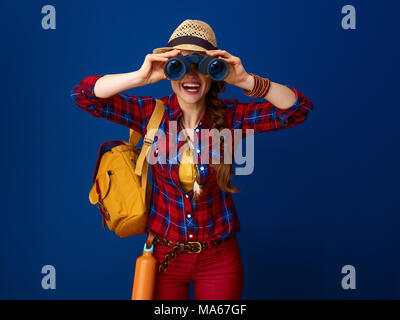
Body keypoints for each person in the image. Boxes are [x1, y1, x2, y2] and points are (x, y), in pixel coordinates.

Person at [71, 19, 314, 300]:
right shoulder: (151, 114)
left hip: (219, 259)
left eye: (202, 66)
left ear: (215, 73)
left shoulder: (231, 118)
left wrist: (246, 80)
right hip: (165, 256)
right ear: (169, 70)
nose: (192, 76)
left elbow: (297, 110)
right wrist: (142, 77)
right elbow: (85, 95)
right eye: (181, 65)